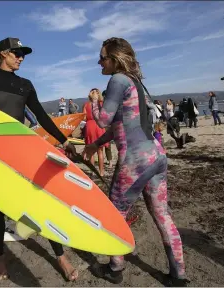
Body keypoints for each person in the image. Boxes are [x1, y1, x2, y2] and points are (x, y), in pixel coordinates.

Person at [0, 37, 78, 281]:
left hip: (21, 154)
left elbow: (41, 116)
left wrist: (64, 141)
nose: (21, 57)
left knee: (40, 203)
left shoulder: (25, 85)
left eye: (23, 54)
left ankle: (60, 256)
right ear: (1, 54)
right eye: (16, 53)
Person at [82, 37, 188, 286]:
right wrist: (95, 145)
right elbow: (122, 124)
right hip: (157, 156)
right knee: (162, 215)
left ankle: (116, 267)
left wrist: (95, 100)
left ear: (115, 58)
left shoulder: (117, 79)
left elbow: (104, 120)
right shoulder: (135, 82)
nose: (99, 61)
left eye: (102, 57)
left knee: (115, 215)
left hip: (135, 162)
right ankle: (178, 274)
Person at [82, 88, 109, 177]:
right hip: (99, 126)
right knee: (100, 151)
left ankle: (93, 172)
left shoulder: (86, 105)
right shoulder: (101, 104)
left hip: (89, 126)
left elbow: (84, 118)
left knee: (91, 152)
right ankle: (101, 172)